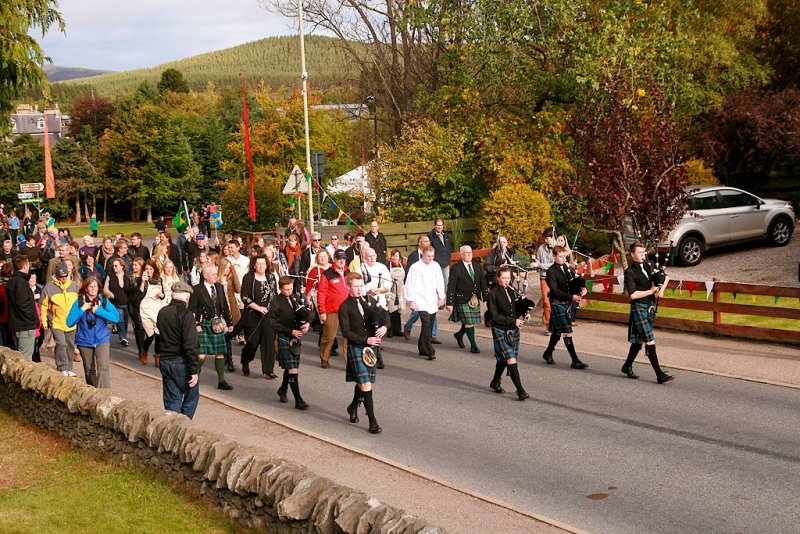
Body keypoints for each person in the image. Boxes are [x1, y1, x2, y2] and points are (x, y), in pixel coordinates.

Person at [339, 272, 388, 434]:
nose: (359, 289)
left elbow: (384, 315)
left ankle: (352, 406)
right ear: (349, 287)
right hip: (357, 347)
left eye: (361, 286)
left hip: (371, 348)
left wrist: (384, 327)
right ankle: (372, 422)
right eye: (356, 286)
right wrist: (366, 340)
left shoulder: (369, 301)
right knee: (365, 383)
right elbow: (346, 332)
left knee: (364, 382)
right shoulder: (344, 307)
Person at [622, 242, 675, 384]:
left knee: (639, 340)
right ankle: (659, 374)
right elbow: (632, 295)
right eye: (639, 252)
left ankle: (626, 366)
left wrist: (661, 289)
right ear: (632, 254)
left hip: (649, 307)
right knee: (649, 339)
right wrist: (651, 291)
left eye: (643, 252)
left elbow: (665, 277)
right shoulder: (630, 272)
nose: (642, 254)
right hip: (638, 307)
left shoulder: (648, 265)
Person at [156, 281, 201, 418]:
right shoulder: (186, 315)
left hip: (165, 359)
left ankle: (171, 429)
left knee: (172, 399)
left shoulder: (162, 312)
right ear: (187, 298)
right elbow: (190, 344)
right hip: (180, 361)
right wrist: (194, 370)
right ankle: (184, 427)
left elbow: (158, 336)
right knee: (191, 397)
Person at [66, 277, 119, 388]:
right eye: (91, 286)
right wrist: (81, 310)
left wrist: (99, 311)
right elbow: (69, 322)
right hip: (84, 340)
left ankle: (104, 395)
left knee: (103, 368)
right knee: (89, 370)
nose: (93, 289)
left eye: (95, 286)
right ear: (86, 289)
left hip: (102, 339)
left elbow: (116, 317)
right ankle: (93, 393)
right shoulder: (79, 302)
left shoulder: (103, 301)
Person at [541, 245, 589, 369]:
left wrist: (583, 289)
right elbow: (555, 291)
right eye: (560, 257)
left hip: (566, 302)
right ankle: (575, 360)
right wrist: (571, 297)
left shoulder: (568, 268)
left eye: (564, 256)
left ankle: (548, 353)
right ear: (554, 256)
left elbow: (576, 280)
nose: (563, 259)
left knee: (557, 332)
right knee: (567, 331)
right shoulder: (551, 272)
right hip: (557, 302)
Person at [486, 266, 530, 400]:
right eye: (504, 278)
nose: (506, 281)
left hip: (512, 329)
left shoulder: (511, 291)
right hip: (500, 328)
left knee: (504, 359)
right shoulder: (492, 293)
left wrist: (524, 313)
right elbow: (494, 315)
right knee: (511, 359)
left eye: (508, 278)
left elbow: (516, 307)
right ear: (498, 278)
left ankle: (495, 382)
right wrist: (513, 320)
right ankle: (520, 391)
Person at [269, 276, 311, 409]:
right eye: (286, 289)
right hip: (285, 336)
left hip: (296, 336)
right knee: (293, 369)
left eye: (291, 288)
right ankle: (298, 400)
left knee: (290, 367)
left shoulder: (296, 298)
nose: (289, 291)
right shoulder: (276, 301)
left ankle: (282, 389)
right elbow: (273, 323)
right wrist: (290, 331)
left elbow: (310, 312)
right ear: (280, 289)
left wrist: (308, 323)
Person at [190, 264, 234, 390]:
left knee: (220, 353)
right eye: (213, 274)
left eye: (216, 274)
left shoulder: (219, 287)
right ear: (205, 276)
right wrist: (196, 324)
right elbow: (192, 309)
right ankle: (193, 376)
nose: (216, 276)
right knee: (201, 356)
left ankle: (221, 381)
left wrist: (229, 323)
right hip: (204, 324)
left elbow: (225, 305)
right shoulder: (197, 289)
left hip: (217, 324)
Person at [239, 254, 279, 379]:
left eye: (263, 263)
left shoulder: (271, 277)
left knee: (269, 342)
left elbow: (274, 295)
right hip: (253, 314)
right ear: (254, 266)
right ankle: (245, 360)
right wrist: (258, 307)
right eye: (259, 264)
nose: (261, 266)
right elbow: (244, 297)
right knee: (252, 342)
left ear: (267, 265)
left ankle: (268, 371)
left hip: (268, 315)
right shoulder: (248, 278)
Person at [405, 246, 445, 360]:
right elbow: (410, 283)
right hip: (420, 300)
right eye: (428, 256)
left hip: (432, 299)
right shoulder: (415, 267)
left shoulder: (435, 266)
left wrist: (441, 297)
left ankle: (422, 347)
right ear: (423, 254)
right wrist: (411, 300)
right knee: (426, 323)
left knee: (429, 324)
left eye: (432, 256)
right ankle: (429, 349)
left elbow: (440, 282)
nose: (431, 258)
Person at [40, 262, 81, 376]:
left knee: (70, 344)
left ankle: (69, 367)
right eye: (61, 276)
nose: (63, 278)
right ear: (56, 276)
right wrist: (44, 321)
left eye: (65, 276)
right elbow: (43, 306)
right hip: (56, 322)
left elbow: (81, 302)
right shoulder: (49, 288)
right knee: (61, 344)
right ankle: (62, 367)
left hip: (71, 322)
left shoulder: (75, 286)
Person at [446, 245, 487, 354]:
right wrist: (449, 302)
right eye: (466, 253)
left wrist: (485, 299)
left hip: (475, 298)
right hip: (462, 299)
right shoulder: (456, 268)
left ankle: (459, 335)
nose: (469, 254)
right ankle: (474, 346)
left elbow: (483, 283)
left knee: (470, 321)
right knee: (469, 322)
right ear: (461, 255)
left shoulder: (477, 266)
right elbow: (451, 286)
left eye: (470, 252)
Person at [402, 235, 439, 343]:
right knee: (417, 313)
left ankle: (432, 335)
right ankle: (408, 327)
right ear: (420, 243)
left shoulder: (431, 256)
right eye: (425, 241)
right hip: (418, 291)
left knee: (433, 312)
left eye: (429, 241)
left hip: (429, 291)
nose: (428, 243)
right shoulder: (413, 256)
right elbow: (409, 274)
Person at [317, 249, 350, 368]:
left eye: (344, 258)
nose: (342, 261)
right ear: (334, 259)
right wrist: (322, 311)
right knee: (329, 337)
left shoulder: (348, 271)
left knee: (348, 337)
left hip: (347, 310)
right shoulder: (327, 274)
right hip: (332, 310)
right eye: (339, 258)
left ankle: (349, 362)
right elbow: (321, 293)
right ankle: (324, 358)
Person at [360, 247, 391, 368]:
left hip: (381, 302)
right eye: (369, 256)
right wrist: (368, 291)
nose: (372, 258)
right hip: (368, 304)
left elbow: (388, 284)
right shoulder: (361, 269)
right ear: (365, 257)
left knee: (380, 328)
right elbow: (359, 287)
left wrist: (382, 290)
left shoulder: (382, 267)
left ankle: (376, 353)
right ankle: (376, 357)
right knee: (372, 329)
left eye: (373, 256)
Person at [6, 256, 39, 359]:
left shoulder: (12, 280)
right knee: (25, 359)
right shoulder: (21, 282)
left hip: (18, 324)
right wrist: (33, 318)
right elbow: (23, 304)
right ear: (25, 266)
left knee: (20, 357)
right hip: (25, 325)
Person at [138, 259, 167, 366]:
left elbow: (163, 295)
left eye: (150, 269)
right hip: (146, 310)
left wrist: (161, 295)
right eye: (147, 269)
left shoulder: (159, 280)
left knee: (159, 335)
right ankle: (144, 351)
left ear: (154, 270)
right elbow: (140, 295)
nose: (149, 271)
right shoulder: (142, 280)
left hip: (156, 309)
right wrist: (142, 282)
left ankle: (157, 355)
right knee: (150, 336)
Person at [103, 258, 130, 347]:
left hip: (127, 302)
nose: (114, 267)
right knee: (120, 319)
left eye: (116, 266)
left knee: (125, 320)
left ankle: (124, 335)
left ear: (122, 266)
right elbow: (105, 289)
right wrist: (111, 295)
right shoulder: (110, 276)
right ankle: (122, 337)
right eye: (113, 266)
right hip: (116, 302)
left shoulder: (127, 275)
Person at [536, 227, 556, 332]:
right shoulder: (541, 248)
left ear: (552, 237)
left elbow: (554, 264)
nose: (545, 241)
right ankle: (549, 326)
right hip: (544, 278)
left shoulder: (557, 248)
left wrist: (540, 265)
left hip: (555, 278)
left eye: (547, 238)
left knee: (556, 302)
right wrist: (535, 263)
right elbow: (538, 262)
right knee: (546, 302)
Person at [126, 258, 146, 359]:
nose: (134, 267)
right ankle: (141, 349)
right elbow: (126, 289)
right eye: (133, 265)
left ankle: (144, 347)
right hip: (133, 304)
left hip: (145, 305)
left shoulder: (145, 276)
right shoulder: (129, 276)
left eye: (136, 265)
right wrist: (134, 286)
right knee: (139, 328)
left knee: (146, 328)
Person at [427, 219, 453, 288]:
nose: (440, 227)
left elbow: (448, 247)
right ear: (435, 225)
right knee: (437, 282)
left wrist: (448, 258)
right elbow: (429, 250)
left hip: (446, 263)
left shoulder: (446, 235)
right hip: (436, 264)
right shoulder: (430, 236)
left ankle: (446, 298)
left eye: (441, 225)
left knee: (447, 282)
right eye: (438, 225)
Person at [386, 250, 406, 337]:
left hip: (401, 291)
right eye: (393, 256)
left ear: (399, 257)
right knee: (391, 310)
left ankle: (397, 330)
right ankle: (389, 330)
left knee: (399, 311)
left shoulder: (404, 266)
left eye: (396, 256)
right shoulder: (387, 266)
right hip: (391, 291)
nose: (394, 258)